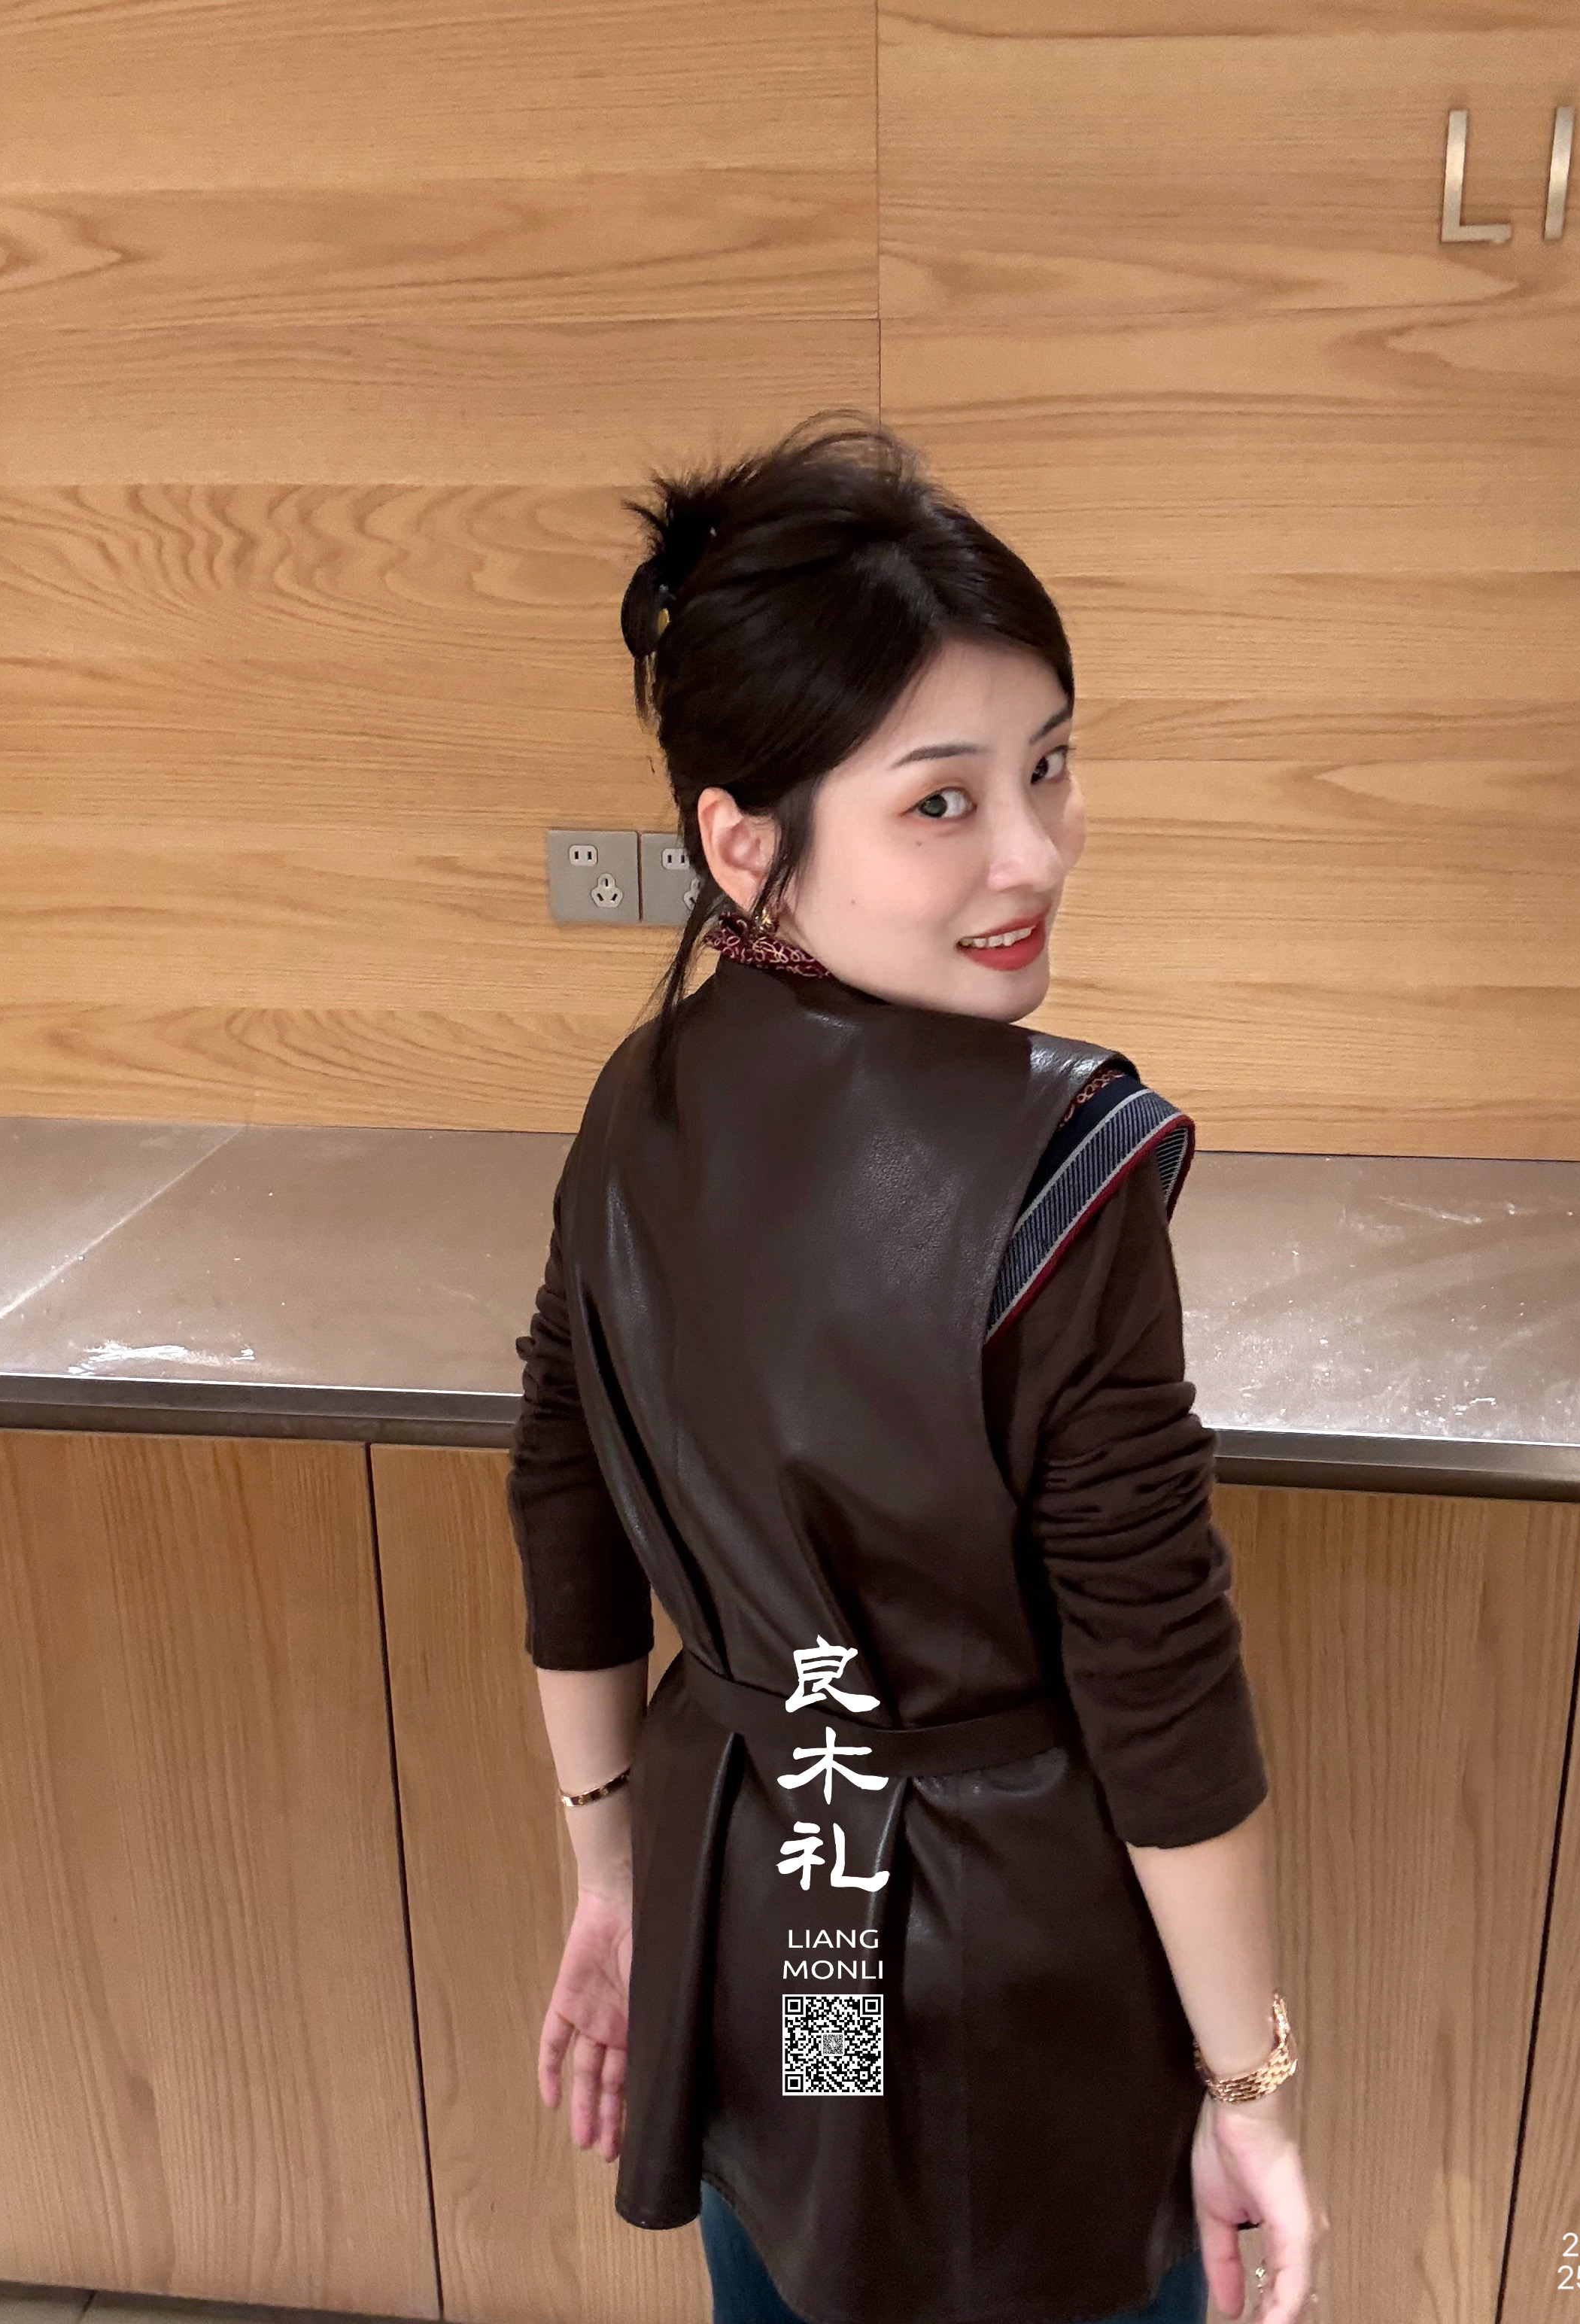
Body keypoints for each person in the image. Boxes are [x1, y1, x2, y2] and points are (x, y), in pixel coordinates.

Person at [507, 411, 1326, 2324]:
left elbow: (564, 1490)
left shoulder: (637, 1099)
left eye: (1050, 764)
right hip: (1003, 1980)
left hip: (763, 1906)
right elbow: (1157, 1678)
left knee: (808, 2274)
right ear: (743, 841)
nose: (1034, 848)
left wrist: (613, 1872)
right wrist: (1249, 2091)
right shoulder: (1063, 1167)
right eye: (941, 800)